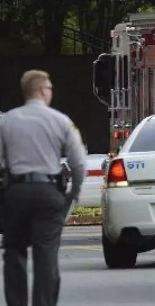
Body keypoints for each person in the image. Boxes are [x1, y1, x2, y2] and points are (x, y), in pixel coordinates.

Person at [0, 70, 85, 306]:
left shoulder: (7, 120)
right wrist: (74, 192)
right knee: (45, 253)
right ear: (41, 90)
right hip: (48, 193)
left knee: (14, 251)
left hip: (16, 192)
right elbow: (78, 162)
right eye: (49, 88)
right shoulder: (61, 120)